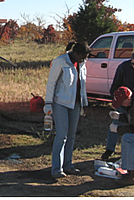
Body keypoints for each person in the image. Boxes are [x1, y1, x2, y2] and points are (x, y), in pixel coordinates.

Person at [44, 41, 90, 179]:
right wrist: (48, 103)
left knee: (71, 135)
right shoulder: (60, 61)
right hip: (60, 103)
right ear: (76, 53)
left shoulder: (81, 63)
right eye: (82, 57)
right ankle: (56, 168)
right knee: (61, 135)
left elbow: (82, 84)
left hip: (75, 103)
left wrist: (83, 103)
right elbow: (51, 83)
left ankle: (68, 165)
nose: (84, 60)